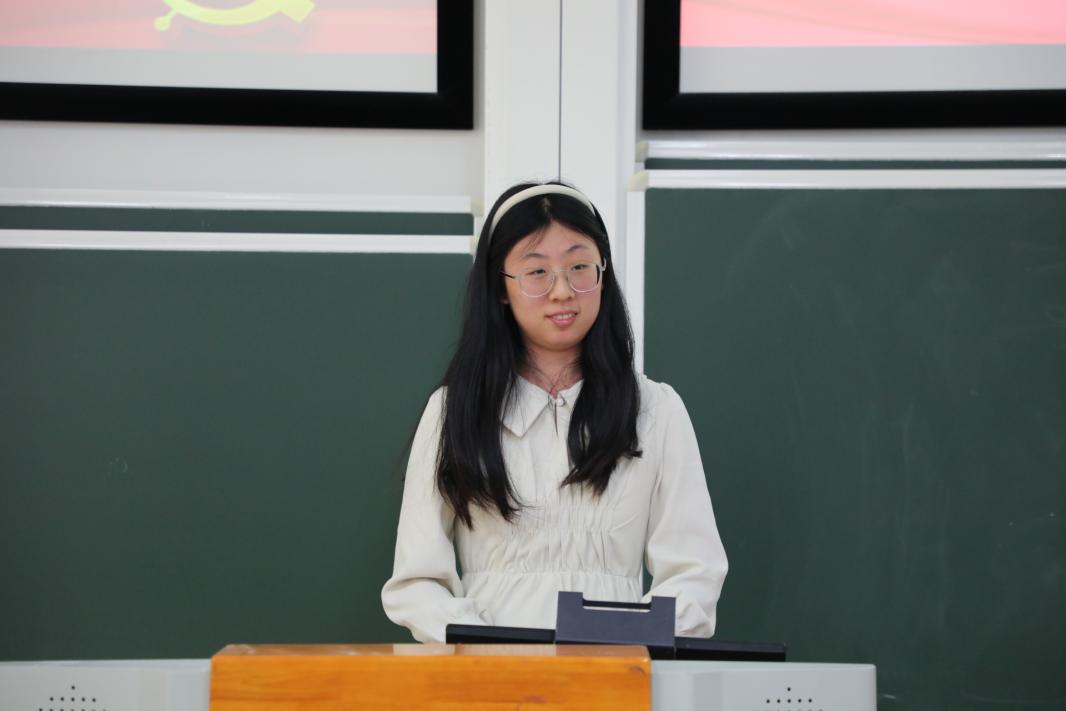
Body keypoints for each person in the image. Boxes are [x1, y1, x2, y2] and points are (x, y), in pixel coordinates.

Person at [381, 181, 727, 643]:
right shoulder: (453, 410)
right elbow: (415, 583)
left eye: (579, 267)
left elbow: (695, 574)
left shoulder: (655, 409)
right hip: (489, 675)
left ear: (603, 272)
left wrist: (621, 645)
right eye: (537, 272)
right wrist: (487, 649)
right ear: (500, 288)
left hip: (615, 673)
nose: (562, 290)